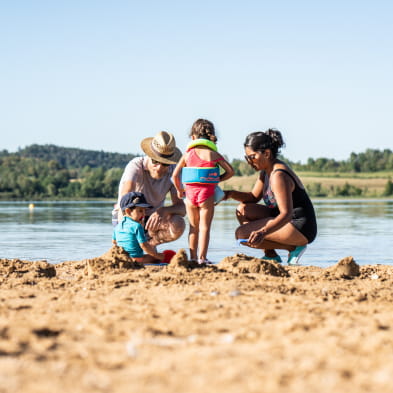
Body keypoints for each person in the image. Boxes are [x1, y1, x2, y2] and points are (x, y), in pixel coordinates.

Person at [224, 129, 317, 265]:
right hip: (284, 220)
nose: (249, 161)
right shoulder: (265, 172)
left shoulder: (278, 175)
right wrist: (229, 194)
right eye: (247, 158)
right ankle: (271, 254)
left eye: (252, 157)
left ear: (266, 153)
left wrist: (262, 232)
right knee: (243, 209)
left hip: (299, 226)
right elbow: (253, 197)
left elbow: (286, 214)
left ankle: (293, 247)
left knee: (241, 234)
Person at [172, 119, 234, 264]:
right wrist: (216, 179)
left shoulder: (187, 155)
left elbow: (174, 176)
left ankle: (192, 258)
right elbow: (231, 171)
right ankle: (202, 258)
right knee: (205, 227)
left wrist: (179, 190)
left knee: (193, 228)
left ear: (193, 137)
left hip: (190, 195)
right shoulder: (213, 154)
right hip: (206, 194)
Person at [115, 131, 186, 248]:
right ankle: (127, 246)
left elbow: (182, 209)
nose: (159, 168)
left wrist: (163, 210)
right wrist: (136, 220)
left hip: (152, 220)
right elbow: (125, 199)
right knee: (127, 216)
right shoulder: (135, 166)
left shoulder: (174, 171)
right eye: (155, 161)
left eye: (164, 164)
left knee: (178, 224)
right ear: (149, 155)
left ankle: (150, 246)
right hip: (128, 216)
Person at [112, 192, 166, 263]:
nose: (144, 214)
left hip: (122, 258)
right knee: (156, 258)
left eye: (144, 210)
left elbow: (114, 242)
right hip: (136, 260)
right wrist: (156, 255)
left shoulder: (118, 226)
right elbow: (144, 245)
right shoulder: (137, 226)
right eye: (140, 210)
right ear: (128, 211)